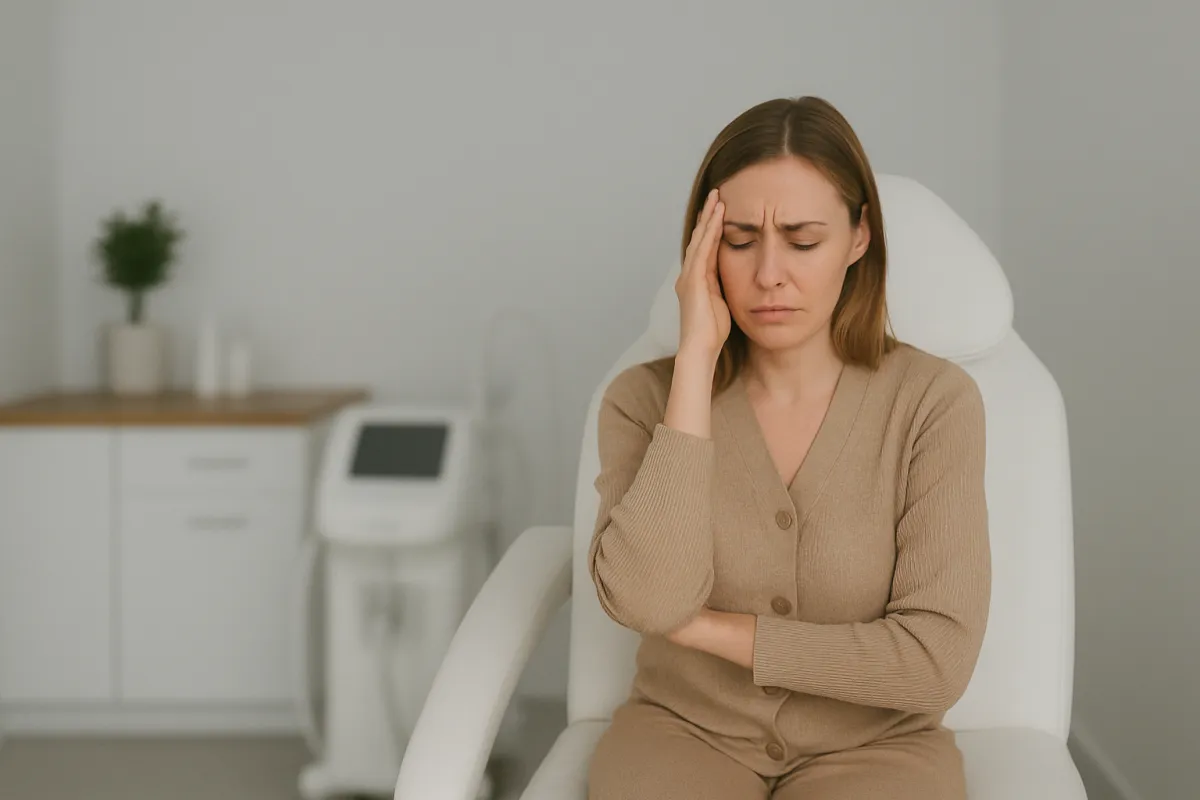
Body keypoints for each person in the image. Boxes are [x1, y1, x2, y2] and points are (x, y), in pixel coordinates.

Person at [585, 96, 991, 800]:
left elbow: (935, 663)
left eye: (803, 241)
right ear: (703, 248)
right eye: (740, 240)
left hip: (878, 748)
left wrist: (710, 632)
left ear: (859, 238)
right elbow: (650, 600)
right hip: (683, 733)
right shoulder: (641, 399)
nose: (769, 273)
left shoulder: (934, 402)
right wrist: (694, 362)